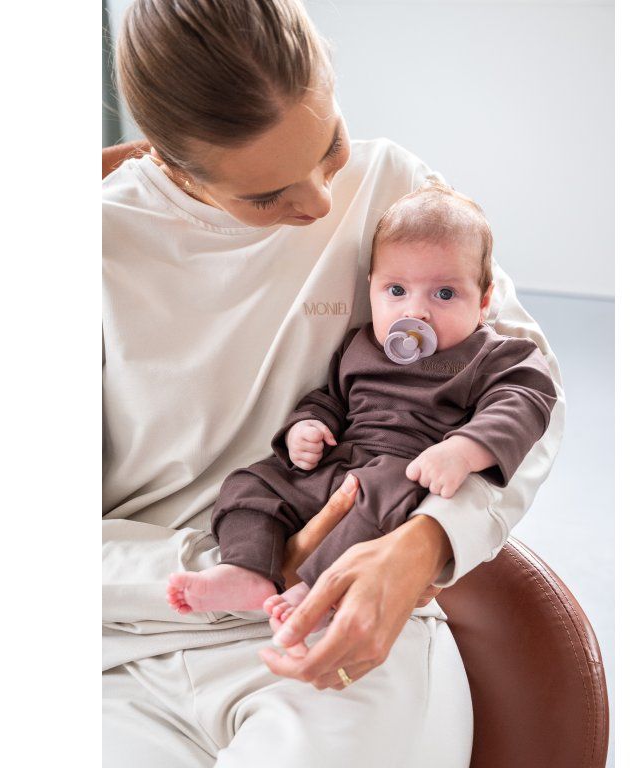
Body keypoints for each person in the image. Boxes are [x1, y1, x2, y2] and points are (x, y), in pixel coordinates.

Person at [102, 1, 566, 765]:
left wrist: (426, 544)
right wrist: (239, 565)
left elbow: (527, 389)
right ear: (171, 162)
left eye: (331, 145)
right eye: (265, 197)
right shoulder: (101, 246)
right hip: (126, 650)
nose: (322, 203)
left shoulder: (394, 189)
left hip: (349, 619)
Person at [165, 180, 559, 652]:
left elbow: (527, 396)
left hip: (404, 471)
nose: (416, 311)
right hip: (337, 464)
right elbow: (332, 397)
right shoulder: (362, 344)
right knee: (251, 484)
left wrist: (464, 450)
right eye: (397, 290)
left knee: (378, 501)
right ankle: (246, 569)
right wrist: (306, 427)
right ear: (371, 288)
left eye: (444, 293)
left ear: (484, 300)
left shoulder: (489, 355)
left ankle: (320, 590)